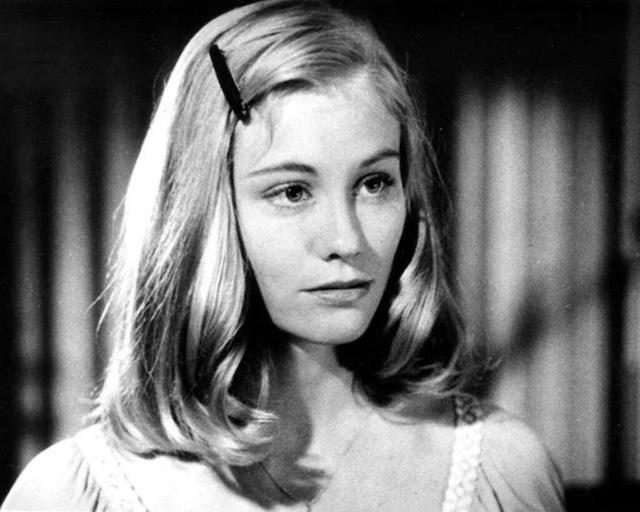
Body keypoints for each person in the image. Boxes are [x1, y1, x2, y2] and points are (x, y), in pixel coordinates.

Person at [2, 0, 565, 510]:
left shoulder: (502, 470)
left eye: (374, 183)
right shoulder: (74, 494)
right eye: (293, 191)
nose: (346, 240)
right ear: (207, 210)